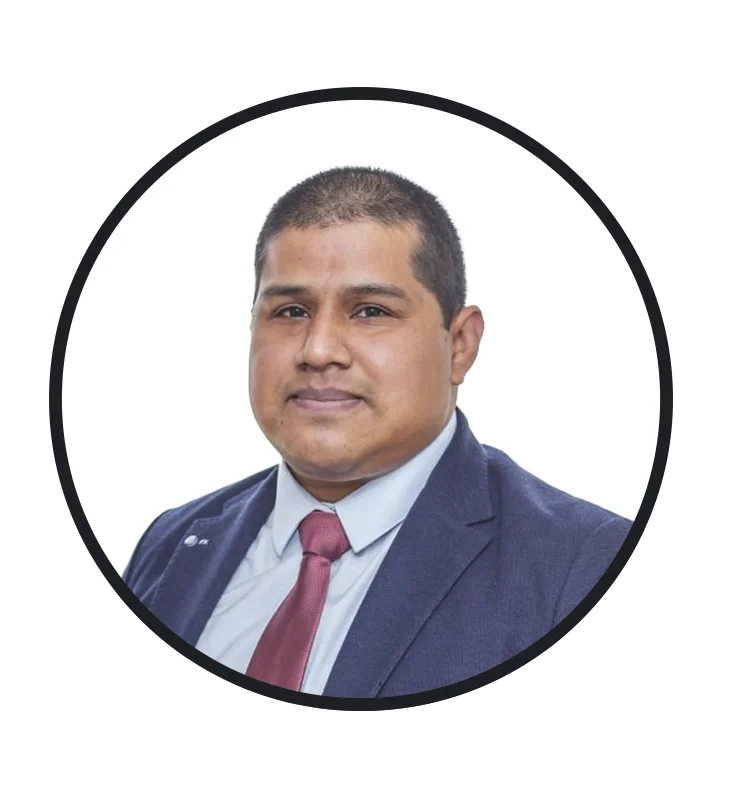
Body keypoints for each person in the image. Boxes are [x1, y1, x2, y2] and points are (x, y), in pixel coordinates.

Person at [122, 166, 632, 698]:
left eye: (370, 311)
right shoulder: (173, 541)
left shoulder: (583, 567)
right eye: (291, 311)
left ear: (460, 345)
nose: (319, 350)